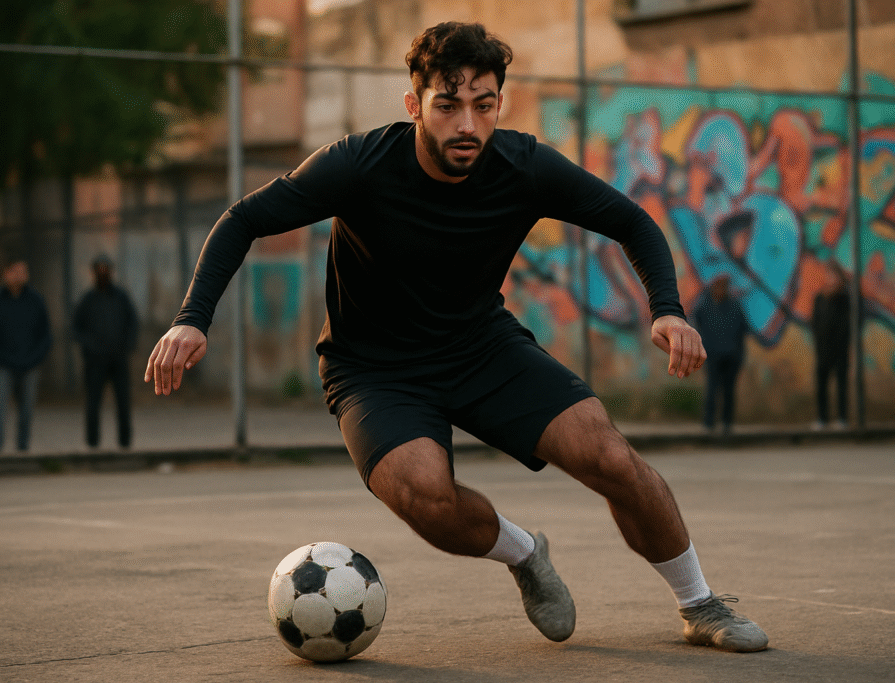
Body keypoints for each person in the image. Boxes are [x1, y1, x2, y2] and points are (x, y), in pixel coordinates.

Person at [146, 22, 767, 652]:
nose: (466, 123)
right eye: (447, 105)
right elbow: (243, 219)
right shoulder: (359, 165)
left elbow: (632, 221)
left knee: (611, 458)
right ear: (415, 105)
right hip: (373, 368)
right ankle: (525, 553)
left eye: (483, 104)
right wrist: (192, 318)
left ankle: (701, 605)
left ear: (501, 103)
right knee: (425, 496)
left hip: (480, 347)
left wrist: (667, 309)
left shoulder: (524, 166)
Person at [0, 259, 52, 452]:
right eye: (15, 271)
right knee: (0, 409)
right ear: (6, 273)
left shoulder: (35, 300)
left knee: (26, 410)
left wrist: (35, 358)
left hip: (30, 364)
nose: (20, 275)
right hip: (2, 365)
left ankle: (23, 448)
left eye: (23, 271)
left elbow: (45, 334)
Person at [73, 254, 140, 448]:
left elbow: (132, 322)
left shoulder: (121, 297)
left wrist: (128, 345)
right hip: (95, 361)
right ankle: (93, 443)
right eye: (99, 269)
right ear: (94, 272)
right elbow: (76, 328)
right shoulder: (87, 299)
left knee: (123, 402)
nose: (103, 273)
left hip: (118, 358)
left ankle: (125, 442)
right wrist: (90, 346)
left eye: (106, 269)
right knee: (93, 403)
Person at [692, 274, 748, 435]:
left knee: (729, 391)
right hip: (712, 355)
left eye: (724, 287)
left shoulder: (735, 306)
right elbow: (697, 325)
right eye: (719, 287)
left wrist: (739, 354)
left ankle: (727, 423)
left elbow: (742, 330)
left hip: (732, 357)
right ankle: (709, 423)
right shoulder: (704, 307)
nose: (721, 290)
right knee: (712, 389)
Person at [812, 262, 850, 429]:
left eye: (834, 275)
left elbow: (847, 324)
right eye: (829, 275)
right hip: (822, 349)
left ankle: (842, 418)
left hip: (840, 349)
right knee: (821, 386)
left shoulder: (845, 298)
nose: (831, 279)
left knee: (842, 385)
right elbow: (814, 322)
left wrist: (842, 342)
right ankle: (822, 419)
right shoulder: (819, 298)